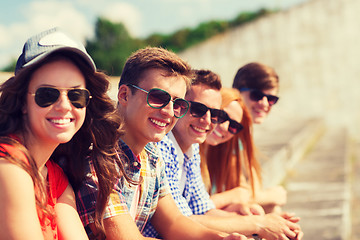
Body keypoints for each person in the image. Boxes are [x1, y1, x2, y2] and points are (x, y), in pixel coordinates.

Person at [74, 47, 248, 240]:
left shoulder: (151, 154)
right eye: (158, 98)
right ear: (124, 95)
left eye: (178, 104)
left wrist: (223, 238)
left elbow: (173, 222)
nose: (169, 111)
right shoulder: (97, 155)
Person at [144, 70, 303, 240]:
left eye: (215, 114)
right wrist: (259, 224)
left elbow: (203, 209)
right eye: (198, 109)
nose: (207, 120)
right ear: (179, 106)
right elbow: (182, 221)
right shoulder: (162, 146)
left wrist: (267, 222)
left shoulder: (192, 148)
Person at [0, 27, 99, 239]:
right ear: (23, 102)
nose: (64, 105)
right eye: (47, 94)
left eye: (76, 95)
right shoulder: (8, 166)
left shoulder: (54, 176)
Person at [201, 87, 286, 215]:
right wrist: (231, 196)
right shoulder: (188, 150)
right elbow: (189, 210)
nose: (225, 127)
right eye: (221, 116)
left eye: (234, 127)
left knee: (268, 211)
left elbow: (247, 189)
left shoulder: (224, 151)